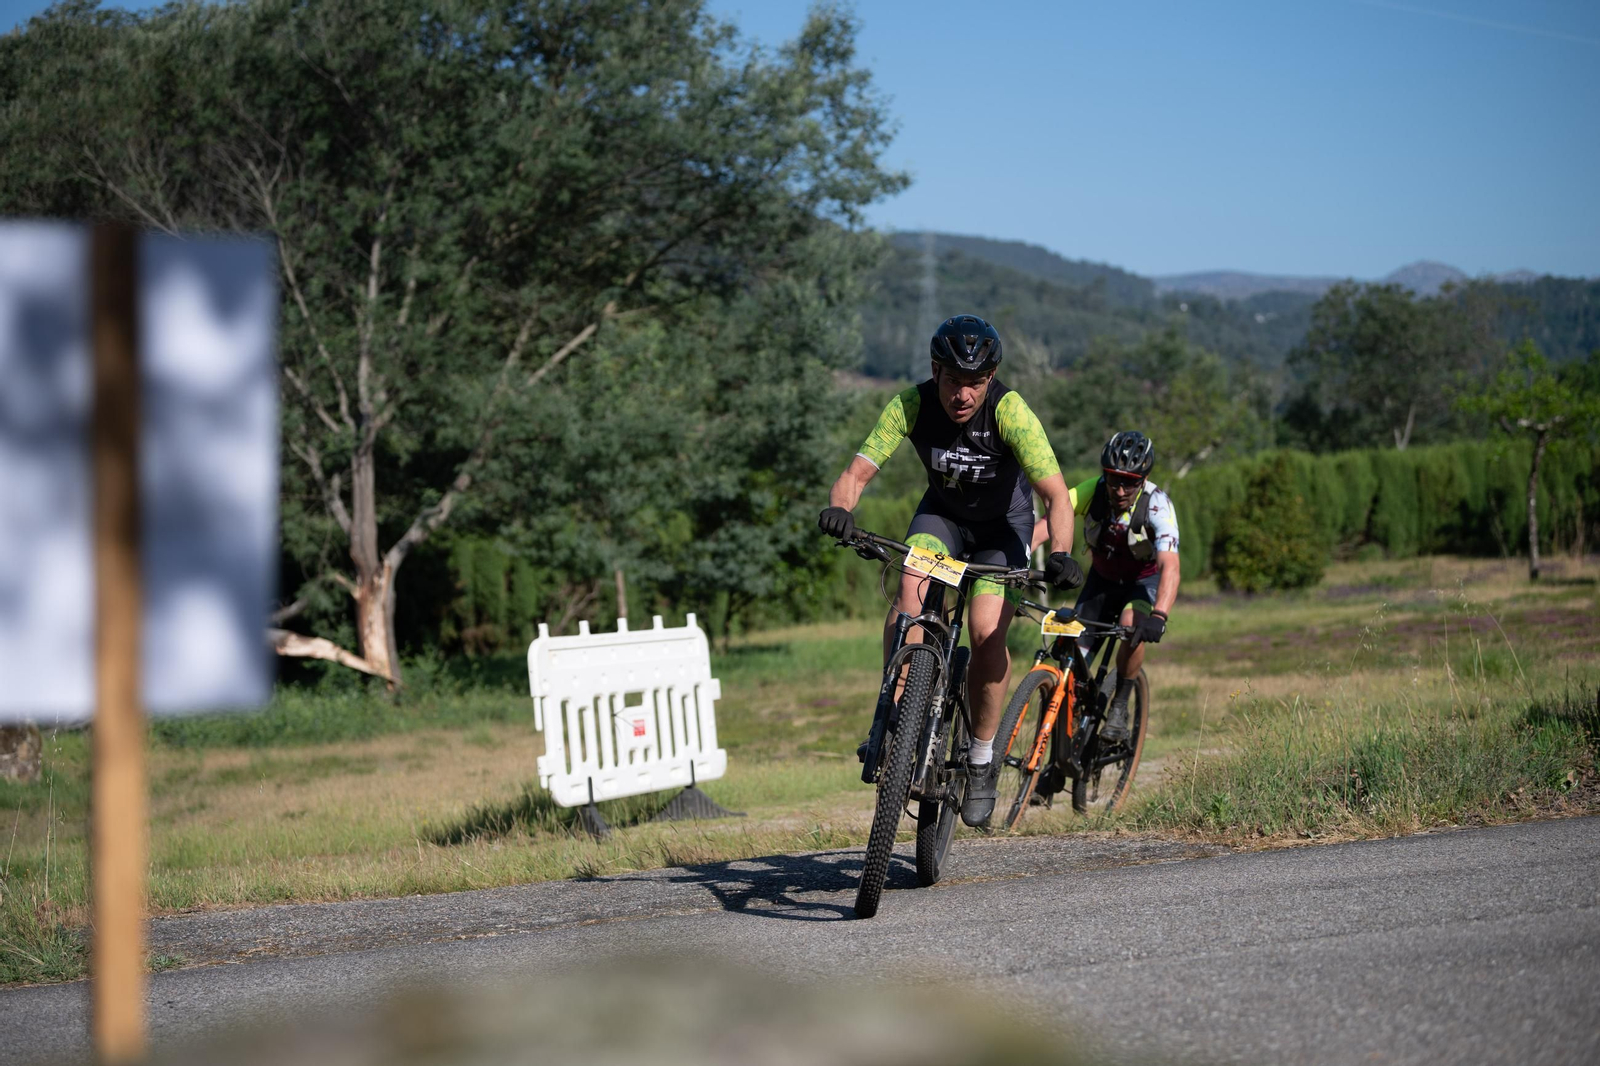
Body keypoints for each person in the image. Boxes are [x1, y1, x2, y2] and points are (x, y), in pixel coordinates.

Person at [818, 314, 1082, 828]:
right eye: (954, 381)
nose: (963, 394)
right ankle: (892, 720)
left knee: (986, 632)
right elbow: (855, 474)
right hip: (942, 520)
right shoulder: (909, 405)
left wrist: (1062, 553)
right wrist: (842, 510)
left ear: (991, 379)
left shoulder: (1011, 412)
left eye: (975, 383)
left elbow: (1055, 494)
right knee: (909, 598)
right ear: (935, 371)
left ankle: (981, 759)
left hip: (1003, 530)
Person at [1057, 430, 1180, 743]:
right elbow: (1052, 518)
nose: (1121, 489)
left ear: (1144, 479)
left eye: (1130, 482)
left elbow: (1170, 566)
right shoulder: (1094, 491)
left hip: (1141, 583)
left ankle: (1120, 704)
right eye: (1113, 479)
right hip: (1101, 583)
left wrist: (1160, 616)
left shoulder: (1157, 506)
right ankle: (1061, 753)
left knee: (1131, 626)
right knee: (1068, 662)